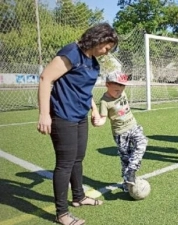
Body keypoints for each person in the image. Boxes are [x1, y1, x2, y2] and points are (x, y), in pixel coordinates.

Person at [37, 23, 118, 225]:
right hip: (63, 115)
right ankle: (61, 213)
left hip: (80, 115)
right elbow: (46, 78)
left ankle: (79, 197)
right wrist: (44, 114)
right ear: (98, 38)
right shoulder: (72, 52)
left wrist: (93, 109)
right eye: (106, 48)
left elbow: (84, 90)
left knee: (78, 158)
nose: (106, 53)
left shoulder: (93, 62)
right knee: (65, 163)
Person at [94, 71, 148, 192]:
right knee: (125, 159)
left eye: (122, 88)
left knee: (142, 142)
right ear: (107, 85)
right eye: (116, 90)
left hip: (133, 126)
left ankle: (132, 170)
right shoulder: (104, 102)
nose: (120, 92)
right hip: (120, 134)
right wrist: (97, 122)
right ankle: (127, 184)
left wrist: (121, 88)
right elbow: (103, 119)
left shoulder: (122, 91)